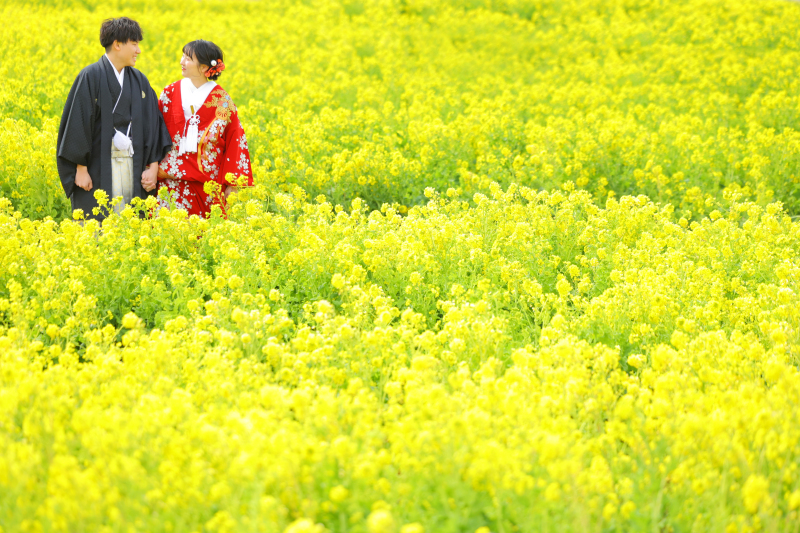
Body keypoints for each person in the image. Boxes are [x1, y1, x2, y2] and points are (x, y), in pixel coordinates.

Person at [57, 17, 172, 219]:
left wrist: (153, 167)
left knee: (130, 220)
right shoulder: (90, 75)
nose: (139, 50)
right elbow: (78, 122)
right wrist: (80, 169)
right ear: (117, 44)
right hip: (97, 166)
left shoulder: (139, 81)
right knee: (98, 223)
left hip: (131, 163)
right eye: (134, 44)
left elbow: (153, 124)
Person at [156, 40, 253, 217]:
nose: (181, 62)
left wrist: (233, 184)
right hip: (169, 184)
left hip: (207, 185)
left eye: (187, 58)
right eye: (183, 56)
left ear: (203, 68)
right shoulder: (170, 92)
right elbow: (154, 132)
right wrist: (150, 167)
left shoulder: (222, 100)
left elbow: (235, 141)